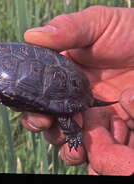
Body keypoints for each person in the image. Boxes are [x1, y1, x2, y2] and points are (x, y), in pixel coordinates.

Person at [22, 5, 134, 175]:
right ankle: (73, 133)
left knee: (62, 113)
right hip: (70, 81)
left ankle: (73, 134)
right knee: (58, 115)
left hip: (65, 87)